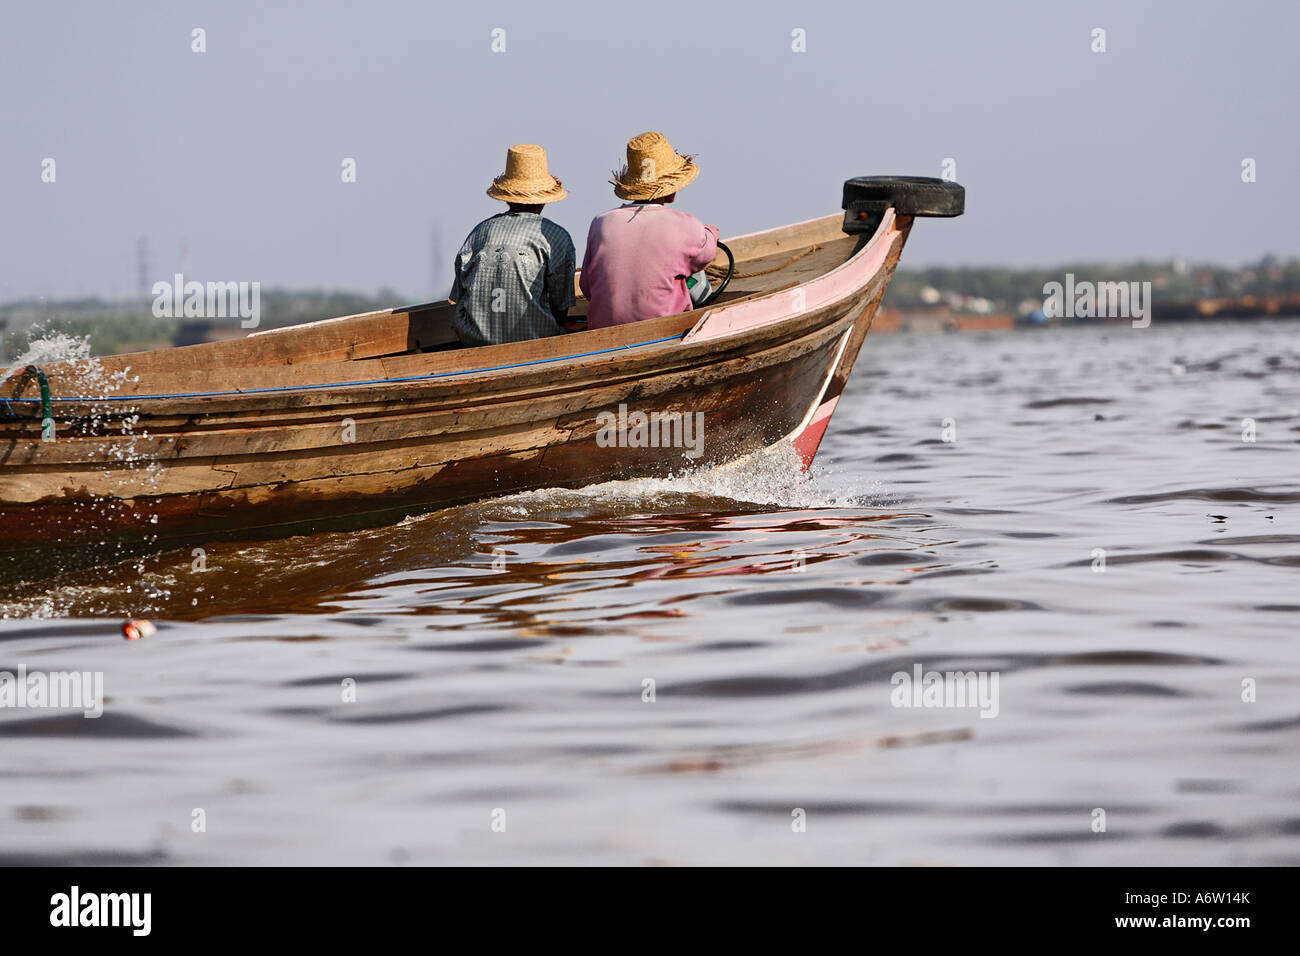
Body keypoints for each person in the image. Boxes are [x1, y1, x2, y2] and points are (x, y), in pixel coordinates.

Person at [580, 131, 719, 329]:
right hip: (663, 329)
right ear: (671, 191)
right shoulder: (686, 225)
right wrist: (712, 232)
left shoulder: (600, 222)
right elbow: (706, 255)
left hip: (603, 329)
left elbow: (586, 286)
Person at [450, 144, 576, 347]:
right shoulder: (556, 237)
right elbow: (560, 306)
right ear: (544, 199)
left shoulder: (479, 232)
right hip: (533, 341)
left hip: (473, 341)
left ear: (507, 196)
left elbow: (460, 296)